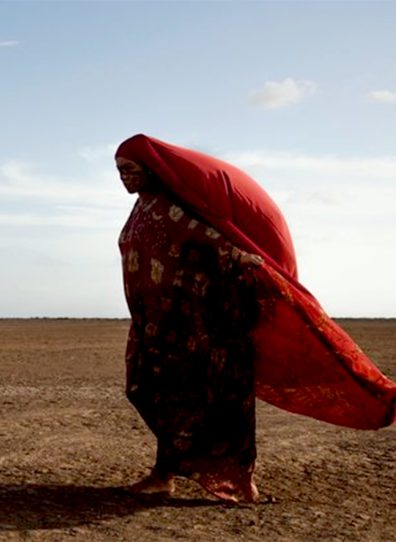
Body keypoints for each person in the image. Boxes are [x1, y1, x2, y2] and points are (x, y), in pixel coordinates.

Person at [115, 134, 396, 503]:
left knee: (215, 403)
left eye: (130, 170)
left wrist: (245, 259)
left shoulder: (174, 208)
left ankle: (234, 482)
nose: (124, 178)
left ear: (151, 169)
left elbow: (213, 242)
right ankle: (164, 474)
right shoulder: (142, 210)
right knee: (151, 393)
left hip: (202, 330)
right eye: (119, 172)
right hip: (158, 328)